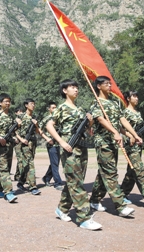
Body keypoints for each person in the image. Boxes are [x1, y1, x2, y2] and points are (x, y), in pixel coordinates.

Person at [46, 79, 102, 230]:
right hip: (69, 149)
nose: (75, 89)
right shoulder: (62, 108)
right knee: (76, 183)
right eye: (72, 87)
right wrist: (61, 142)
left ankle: (62, 209)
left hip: (81, 149)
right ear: (65, 90)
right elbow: (49, 125)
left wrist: (90, 122)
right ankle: (84, 217)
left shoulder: (80, 109)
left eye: (77, 87)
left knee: (74, 181)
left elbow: (89, 132)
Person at [89, 76, 142, 217]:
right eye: (106, 83)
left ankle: (94, 200)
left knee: (104, 173)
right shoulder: (96, 103)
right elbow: (100, 119)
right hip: (103, 142)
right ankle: (120, 206)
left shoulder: (114, 103)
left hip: (114, 142)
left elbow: (122, 119)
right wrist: (115, 132)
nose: (109, 85)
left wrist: (134, 134)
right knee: (111, 174)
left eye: (110, 83)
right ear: (99, 86)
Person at [0, 93, 18, 203]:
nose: (8, 103)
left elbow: (12, 131)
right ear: (0, 103)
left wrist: (15, 137)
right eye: (5, 101)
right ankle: (9, 192)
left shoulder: (11, 116)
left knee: (7, 167)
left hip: (9, 145)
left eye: (9, 101)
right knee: (3, 169)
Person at [15, 98, 42, 195]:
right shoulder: (20, 116)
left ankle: (21, 182)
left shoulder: (34, 118)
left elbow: (39, 132)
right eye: (31, 104)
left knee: (27, 164)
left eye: (34, 104)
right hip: (24, 143)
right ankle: (33, 187)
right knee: (30, 164)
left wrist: (37, 124)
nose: (33, 105)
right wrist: (21, 139)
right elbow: (14, 131)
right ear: (26, 105)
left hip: (33, 143)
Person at [40, 101, 63, 190]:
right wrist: (47, 138)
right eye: (53, 107)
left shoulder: (58, 118)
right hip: (51, 143)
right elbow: (39, 129)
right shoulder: (47, 118)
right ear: (49, 109)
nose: (54, 109)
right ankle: (57, 183)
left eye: (55, 107)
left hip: (59, 143)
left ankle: (46, 177)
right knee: (55, 163)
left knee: (55, 163)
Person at [13, 106, 23, 181]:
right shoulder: (14, 121)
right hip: (17, 141)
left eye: (21, 111)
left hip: (23, 141)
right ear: (15, 113)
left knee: (22, 159)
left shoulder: (24, 120)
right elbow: (14, 131)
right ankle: (21, 176)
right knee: (20, 159)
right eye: (18, 111)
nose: (20, 112)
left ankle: (18, 175)